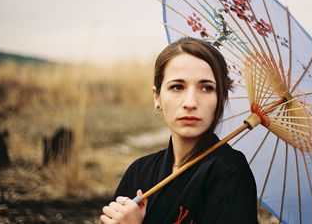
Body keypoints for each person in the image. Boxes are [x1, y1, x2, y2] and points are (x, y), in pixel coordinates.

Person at [100, 37, 258, 223]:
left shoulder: (230, 171)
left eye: (206, 88)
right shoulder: (139, 171)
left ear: (221, 99)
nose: (190, 102)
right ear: (157, 96)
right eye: (177, 87)